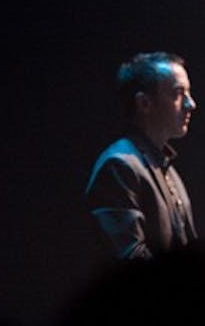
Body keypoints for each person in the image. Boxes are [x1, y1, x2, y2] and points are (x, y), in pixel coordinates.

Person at [83, 51, 198, 263]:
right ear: (144, 103)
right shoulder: (118, 166)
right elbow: (130, 259)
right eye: (178, 93)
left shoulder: (167, 169)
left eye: (188, 93)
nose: (191, 104)